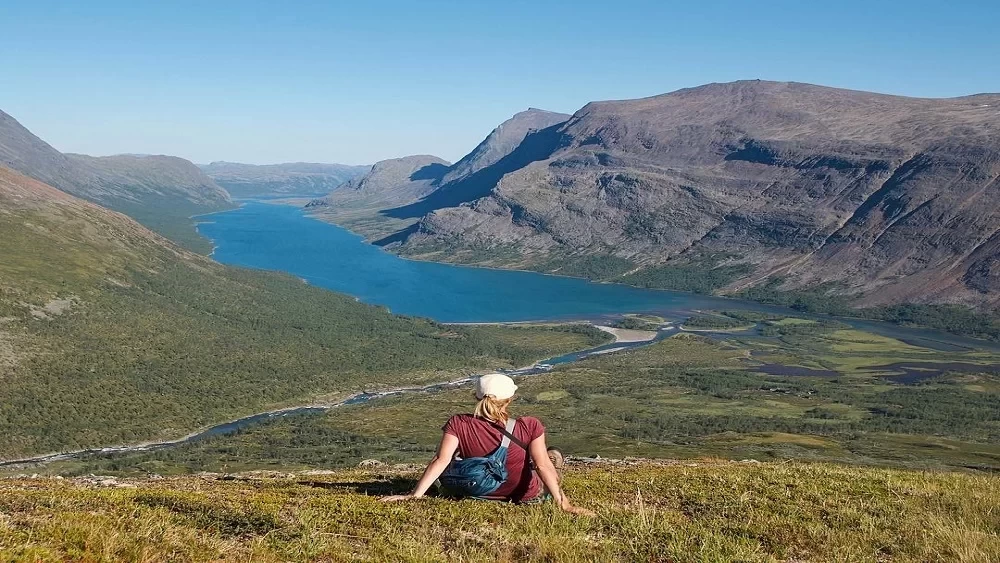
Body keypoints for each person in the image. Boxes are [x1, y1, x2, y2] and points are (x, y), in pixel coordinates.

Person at [381, 373, 594, 515]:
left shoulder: (458, 423)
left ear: (476, 396)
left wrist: (415, 495)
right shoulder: (529, 426)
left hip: (475, 491)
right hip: (523, 497)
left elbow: (441, 460)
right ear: (510, 400)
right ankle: (556, 463)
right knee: (546, 462)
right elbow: (541, 466)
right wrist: (564, 504)